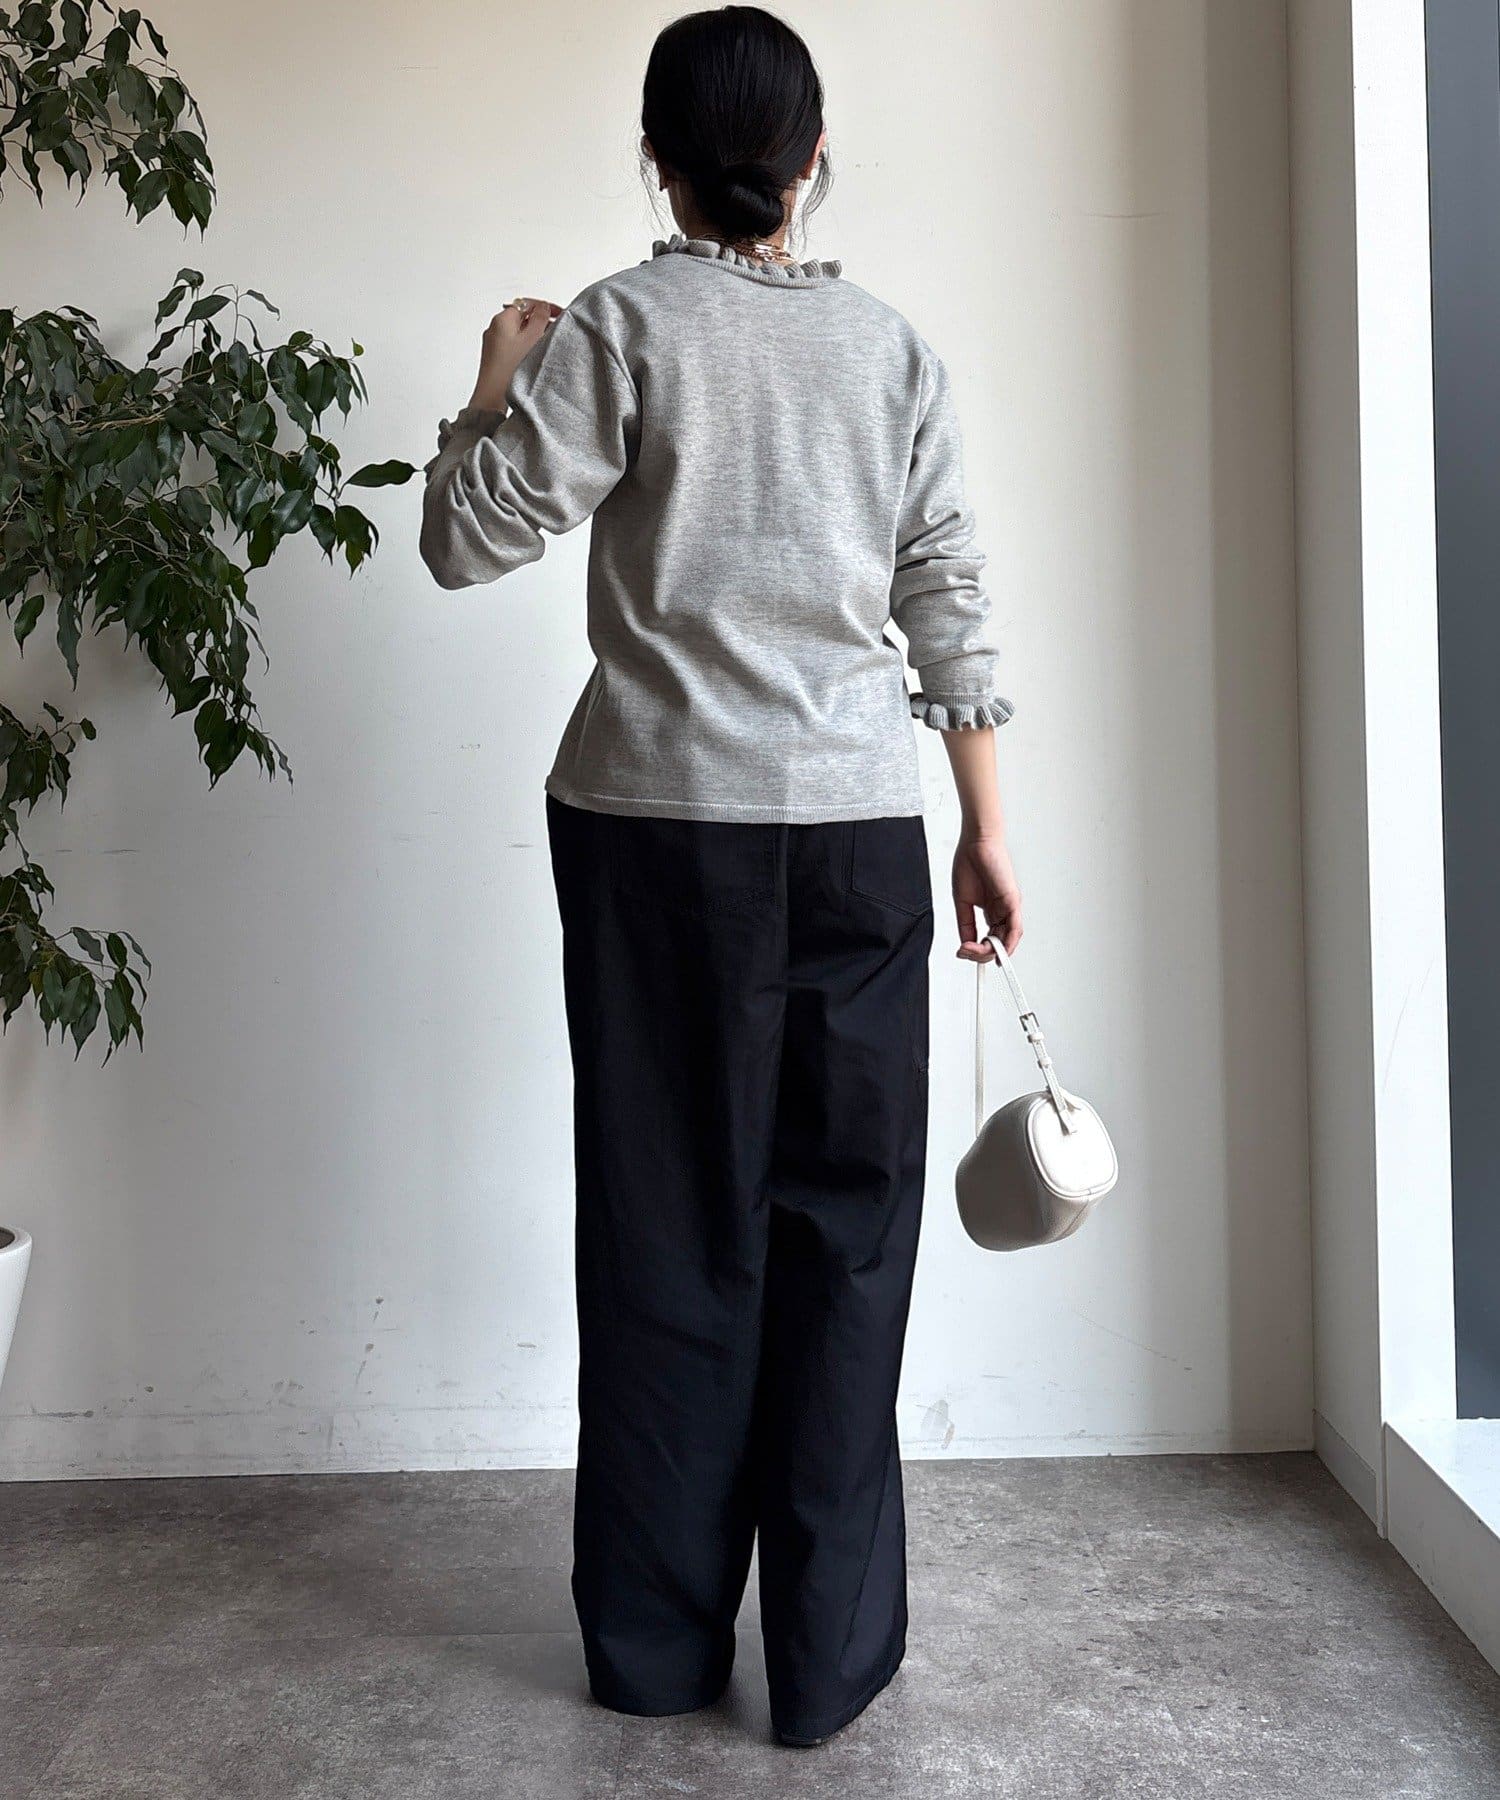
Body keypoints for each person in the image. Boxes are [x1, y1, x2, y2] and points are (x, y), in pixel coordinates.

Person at [419, 3, 1022, 1748]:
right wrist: (985, 825)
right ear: (813, 158)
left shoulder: (617, 327)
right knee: (847, 1240)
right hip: (858, 835)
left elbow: (464, 539)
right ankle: (824, 1664)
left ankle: (659, 1650)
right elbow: (948, 593)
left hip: (653, 832)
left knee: (669, 1227)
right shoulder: (892, 352)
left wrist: (492, 385)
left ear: (657, 162)